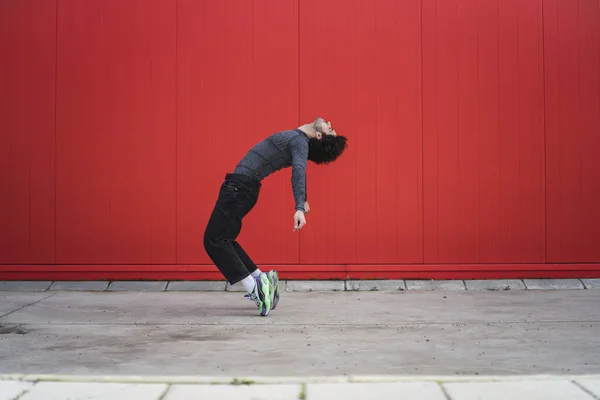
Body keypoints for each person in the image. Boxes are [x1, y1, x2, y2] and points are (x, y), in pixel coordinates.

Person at [203, 117, 348, 316]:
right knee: (224, 238)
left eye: (330, 129)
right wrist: (303, 199)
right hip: (241, 187)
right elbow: (299, 169)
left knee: (214, 240)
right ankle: (260, 279)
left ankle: (254, 288)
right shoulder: (298, 138)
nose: (331, 123)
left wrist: (299, 206)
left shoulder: (299, 141)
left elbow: (299, 171)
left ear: (319, 135)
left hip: (239, 188)